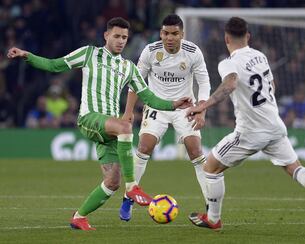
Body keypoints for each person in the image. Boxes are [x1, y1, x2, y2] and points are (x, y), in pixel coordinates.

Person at [7, 17, 192, 230]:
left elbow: (150, 98)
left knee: (112, 181)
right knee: (125, 125)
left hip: (109, 130)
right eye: (116, 36)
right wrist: (26, 55)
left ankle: (79, 217)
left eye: (124, 37)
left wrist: (174, 104)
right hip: (89, 118)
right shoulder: (89, 54)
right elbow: (54, 65)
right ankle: (132, 187)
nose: (121, 41)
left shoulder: (128, 67)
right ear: (106, 35)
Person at [186, 17, 305, 232]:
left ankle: (213, 219)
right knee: (295, 168)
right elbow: (272, 84)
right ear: (248, 36)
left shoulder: (227, 62)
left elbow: (230, 83)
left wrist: (204, 105)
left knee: (210, 167)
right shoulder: (260, 56)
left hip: (249, 131)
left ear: (226, 38)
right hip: (275, 126)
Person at [119, 14, 211, 221]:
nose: (169, 38)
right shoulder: (150, 51)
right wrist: (128, 112)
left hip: (185, 108)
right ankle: (128, 197)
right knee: (144, 147)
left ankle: (210, 204)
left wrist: (201, 110)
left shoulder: (193, 52)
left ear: (182, 35)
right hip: (156, 107)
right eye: (165, 33)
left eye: (174, 34)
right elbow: (136, 82)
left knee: (195, 150)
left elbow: (204, 83)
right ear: (161, 33)